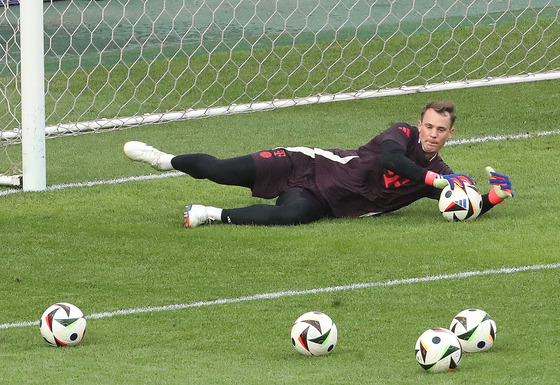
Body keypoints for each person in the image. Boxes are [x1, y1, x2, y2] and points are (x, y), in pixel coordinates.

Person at [123, 101, 513, 228]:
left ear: (449, 135)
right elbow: (395, 160)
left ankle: (209, 214)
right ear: (420, 124)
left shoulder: (440, 176)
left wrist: (492, 198)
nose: (431, 133)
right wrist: (437, 179)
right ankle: (164, 159)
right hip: (304, 164)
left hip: (324, 201)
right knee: (222, 171)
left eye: (440, 130)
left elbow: (462, 204)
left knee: (292, 216)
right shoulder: (401, 134)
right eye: (428, 125)